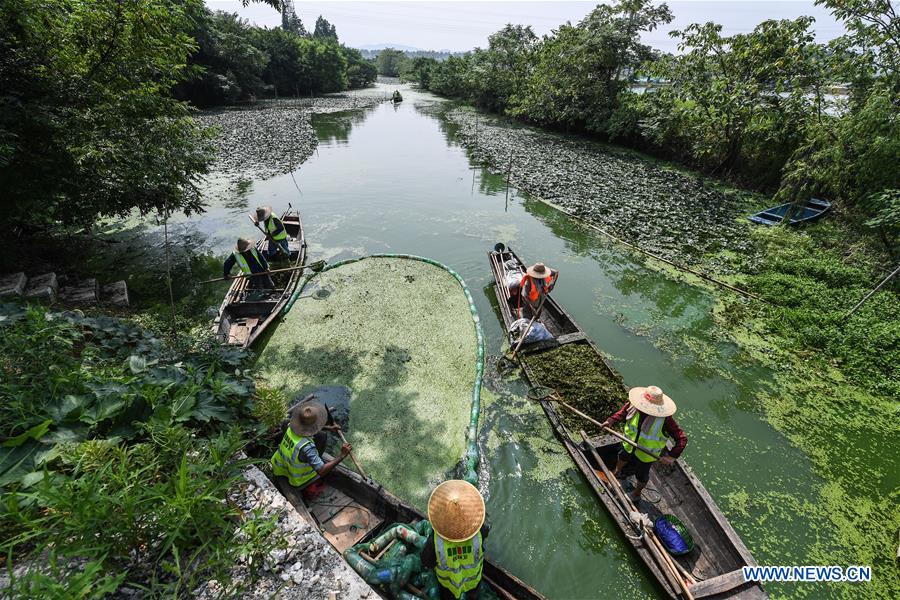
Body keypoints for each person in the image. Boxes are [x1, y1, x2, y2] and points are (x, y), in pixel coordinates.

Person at [599, 386, 688, 503]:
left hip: (646, 454)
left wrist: (671, 456)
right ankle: (616, 473)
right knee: (622, 456)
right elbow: (623, 412)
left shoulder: (665, 420)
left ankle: (636, 494)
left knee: (642, 475)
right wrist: (611, 420)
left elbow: (682, 438)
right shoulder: (634, 406)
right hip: (628, 443)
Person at [421, 480, 489, 600]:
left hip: (448, 585)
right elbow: (487, 527)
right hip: (473, 582)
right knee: (474, 596)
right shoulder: (481, 532)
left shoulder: (435, 541)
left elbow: (426, 561)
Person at [270, 397, 352, 494]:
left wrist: (329, 428)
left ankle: (314, 460)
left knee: (322, 435)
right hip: (297, 478)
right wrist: (342, 455)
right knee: (324, 466)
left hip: (279, 466)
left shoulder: (288, 424)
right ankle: (308, 483)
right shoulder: (307, 447)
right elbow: (321, 471)